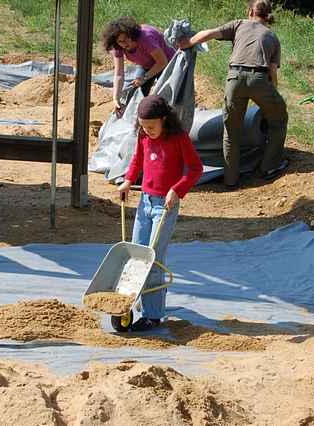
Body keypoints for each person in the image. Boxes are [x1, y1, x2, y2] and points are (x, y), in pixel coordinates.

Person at [178, 0, 289, 188]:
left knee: (231, 131)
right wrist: (272, 97)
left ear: (250, 12)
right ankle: (269, 167)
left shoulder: (239, 24)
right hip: (260, 79)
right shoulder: (272, 36)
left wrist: (186, 43)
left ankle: (231, 179)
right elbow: (272, 72)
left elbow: (209, 34)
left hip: (234, 79)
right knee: (278, 120)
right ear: (268, 16)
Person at [118, 95, 203, 332]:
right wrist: (127, 181)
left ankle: (153, 314)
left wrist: (177, 190)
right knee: (136, 254)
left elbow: (196, 168)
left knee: (153, 258)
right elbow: (137, 160)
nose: (148, 131)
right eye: (144, 127)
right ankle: (127, 303)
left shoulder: (178, 138)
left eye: (152, 126)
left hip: (165, 206)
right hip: (144, 203)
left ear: (164, 119)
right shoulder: (143, 136)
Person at [102, 17, 175, 117]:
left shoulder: (146, 38)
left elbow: (162, 62)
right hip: (145, 64)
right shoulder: (118, 47)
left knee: (165, 96)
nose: (126, 43)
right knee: (135, 93)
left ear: (132, 34)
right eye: (121, 41)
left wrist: (144, 78)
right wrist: (116, 98)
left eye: (127, 38)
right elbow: (119, 74)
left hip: (167, 63)